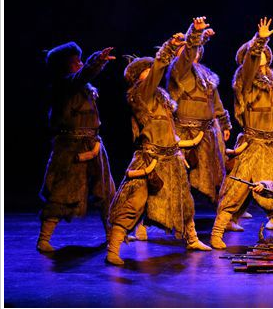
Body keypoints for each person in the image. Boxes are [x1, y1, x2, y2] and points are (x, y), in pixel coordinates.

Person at [106, 19, 212, 266]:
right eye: (146, 71)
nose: (151, 73)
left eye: (150, 70)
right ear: (137, 77)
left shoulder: (161, 99)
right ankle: (113, 251)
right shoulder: (140, 95)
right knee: (133, 203)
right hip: (150, 158)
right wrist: (168, 48)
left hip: (171, 156)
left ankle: (192, 238)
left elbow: (180, 64)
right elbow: (159, 69)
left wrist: (194, 36)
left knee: (184, 200)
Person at [210, 18, 273, 249]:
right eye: (256, 53)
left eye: (264, 52)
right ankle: (218, 231)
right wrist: (260, 41)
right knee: (237, 188)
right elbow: (249, 64)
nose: (260, 55)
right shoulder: (244, 80)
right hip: (253, 141)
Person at [37, 43, 116, 252]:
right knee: (62, 192)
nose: (80, 64)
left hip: (93, 143)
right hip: (70, 146)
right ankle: (44, 239)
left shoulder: (85, 88)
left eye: (81, 61)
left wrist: (95, 63)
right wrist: (97, 61)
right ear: (64, 66)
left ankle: (113, 234)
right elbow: (82, 75)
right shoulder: (63, 85)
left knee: (106, 191)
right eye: (76, 62)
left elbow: (83, 77)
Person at [167, 21, 231, 206]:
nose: (190, 52)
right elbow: (187, 54)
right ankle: (178, 212)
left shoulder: (207, 74)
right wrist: (196, 35)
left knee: (214, 173)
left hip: (207, 131)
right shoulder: (178, 70)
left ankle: (224, 211)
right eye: (186, 49)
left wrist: (224, 123)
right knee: (181, 174)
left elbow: (215, 101)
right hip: (183, 131)